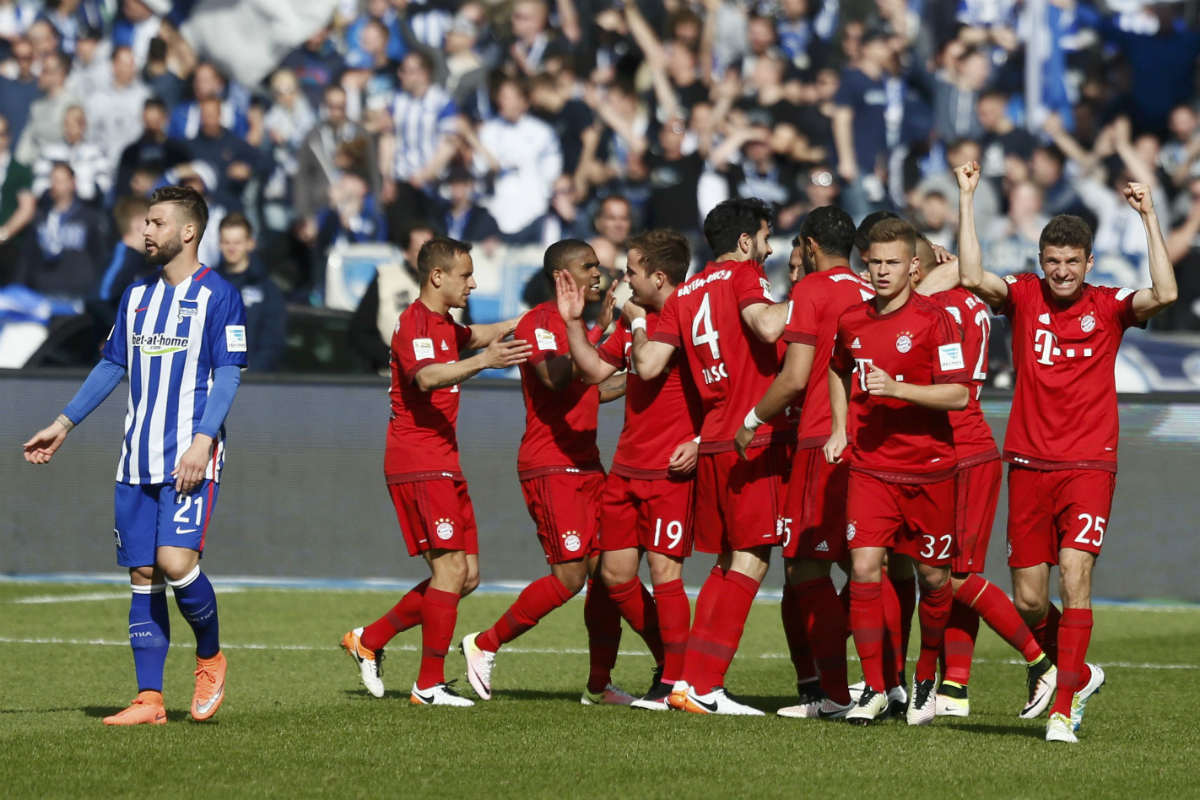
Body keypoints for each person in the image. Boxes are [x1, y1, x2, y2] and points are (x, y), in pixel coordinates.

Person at [955, 160, 1177, 743]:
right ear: (1040, 262)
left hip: (1088, 464)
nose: (1060, 272)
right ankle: (1079, 670)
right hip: (1027, 462)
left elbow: (1168, 292)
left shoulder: (1109, 306)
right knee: (1029, 600)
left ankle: (1064, 709)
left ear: (1088, 264)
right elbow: (973, 274)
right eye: (1051, 262)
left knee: (1075, 577)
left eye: (1071, 263)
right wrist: (967, 197)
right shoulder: (1025, 298)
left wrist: (1150, 216)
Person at [22, 184, 247, 726]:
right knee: (143, 573)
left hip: (189, 457)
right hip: (135, 458)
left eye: (157, 223)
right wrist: (64, 423)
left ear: (188, 231)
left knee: (175, 563)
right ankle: (149, 699)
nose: (147, 231)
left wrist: (202, 439)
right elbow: (111, 366)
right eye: (146, 222)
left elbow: (229, 372)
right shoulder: (136, 296)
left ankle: (210, 658)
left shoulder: (218, 295)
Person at [341, 237, 531, 706]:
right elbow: (426, 377)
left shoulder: (446, 324)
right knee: (449, 569)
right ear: (437, 277)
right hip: (418, 460)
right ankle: (428, 684)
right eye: (465, 275)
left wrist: (523, 322)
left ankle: (370, 638)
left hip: (443, 459)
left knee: (465, 576)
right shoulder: (414, 324)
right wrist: (484, 363)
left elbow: (477, 335)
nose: (473, 283)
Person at [629, 198, 792, 715]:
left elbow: (651, 363)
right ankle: (706, 685)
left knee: (729, 560)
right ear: (744, 242)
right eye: (764, 238)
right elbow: (766, 326)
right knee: (751, 558)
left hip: (714, 437)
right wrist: (819, 297)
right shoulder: (743, 276)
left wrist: (635, 320)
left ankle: (687, 681)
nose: (768, 249)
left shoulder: (685, 293)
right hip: (751, 433)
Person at [460, 239, 630, 706]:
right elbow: (557, 379)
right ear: (564, 276)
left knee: (608, 576)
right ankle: (484, 643)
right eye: (588, 266)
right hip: (551, 465)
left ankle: (600, 684)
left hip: (588, 463)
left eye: (598, 265)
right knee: (569, 577)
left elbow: (597, 388)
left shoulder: (581, 327)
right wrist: (593, 330)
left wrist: (643, 372)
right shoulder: (538, 322)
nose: (598, 273)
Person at [825, 217, 968, 726]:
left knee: (933, 579)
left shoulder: (937, 320)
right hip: (871, 467)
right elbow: (837, 369)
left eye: (892, 263)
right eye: (874, 263)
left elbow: (959, 394)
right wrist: (840, 427)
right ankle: (877, 688)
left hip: (929, 469)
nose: (882, 272)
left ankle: (926, 673)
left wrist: (899, 389)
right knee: (865, 569)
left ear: (913, 266)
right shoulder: (851, 321)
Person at [909, 233, 1057, 721]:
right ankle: (955, 685)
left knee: (954, 577)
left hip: (959, 448)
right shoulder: (967, 302)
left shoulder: (930, 309)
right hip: (962, 445)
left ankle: (1039, 661)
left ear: (917, 268)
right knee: (952, 571)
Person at [732, 206, 873, 719]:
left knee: (805, 565)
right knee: (866, 564)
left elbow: (794, 377)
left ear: (810, 247)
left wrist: (750, 419)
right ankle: (888, 685)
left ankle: (835, 695)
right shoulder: (868, 286)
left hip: (819, 439)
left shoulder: (812, 291)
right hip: (868, 440)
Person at [556, 229, 702, 710]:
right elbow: (596, 372)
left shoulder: (684, 315)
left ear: (658, 276)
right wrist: (575, 324)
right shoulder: (638, 318)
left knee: (665, 572)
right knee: (616, 576)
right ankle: (670, 662)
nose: (624, 281)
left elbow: (649, 365)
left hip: (668, 472)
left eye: (632, 272)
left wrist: (700, 440)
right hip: (626, 468)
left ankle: (675, 681)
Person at [216, 213, 286, 372]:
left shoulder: (268, 290)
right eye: (226, 242)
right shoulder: (207, 285)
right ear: (219, 244)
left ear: (250, 243)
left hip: (254, 384)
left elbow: (274, 341)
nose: (231, 248)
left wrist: (253, 372)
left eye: (237, 242)